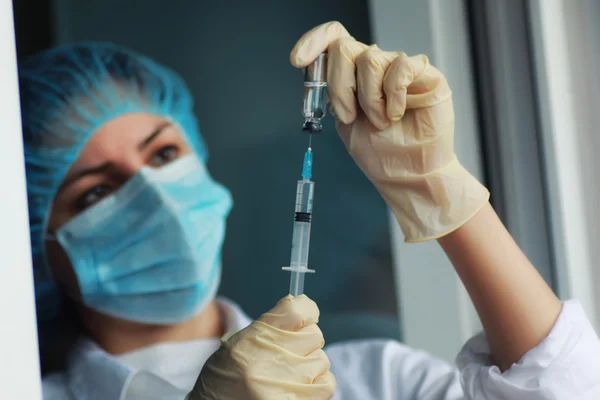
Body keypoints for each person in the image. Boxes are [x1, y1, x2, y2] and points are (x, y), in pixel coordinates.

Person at [21, 21, 599, 400]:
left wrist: (443, 191)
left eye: (165, 154)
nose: (154, 196)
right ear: (34, 247)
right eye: (95, 192)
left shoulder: (376, 379)